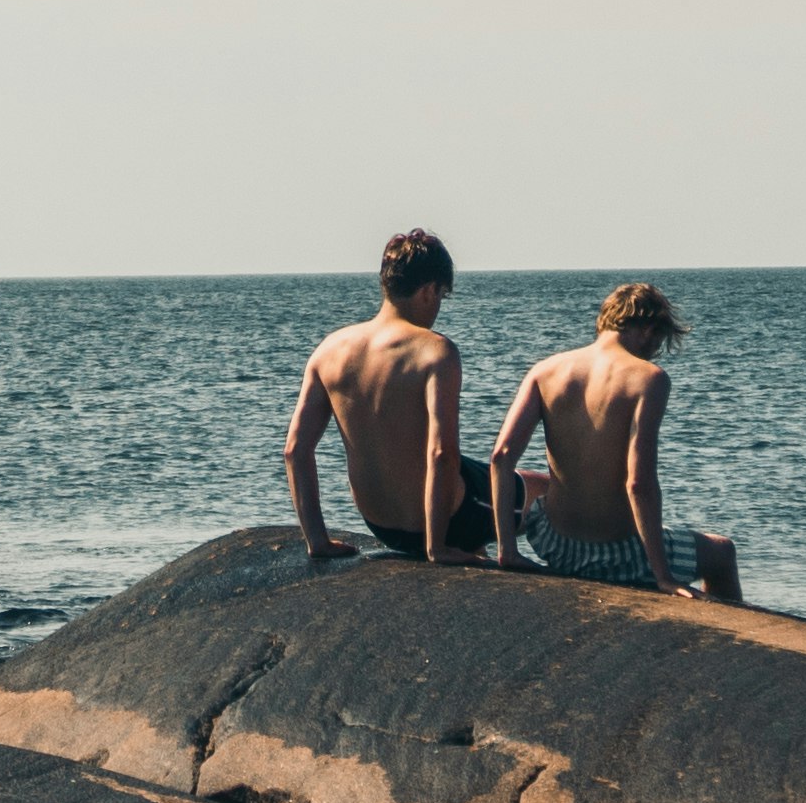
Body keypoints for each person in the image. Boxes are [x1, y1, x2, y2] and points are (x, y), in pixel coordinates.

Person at [487, 283, 741, 602]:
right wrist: (663, 576)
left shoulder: (545, 371)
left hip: (555, 543)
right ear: (649, 330)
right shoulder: (649, 379)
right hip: (620, 556)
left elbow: (501, 457)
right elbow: (639, 484)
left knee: (534, 483)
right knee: (722, 553)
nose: (653, 354)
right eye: (657, 344)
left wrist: (507, 550)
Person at [285, 228, 498, 563]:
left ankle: (474, 550)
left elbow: (295, 450)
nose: (439, 306)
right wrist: (437, 548)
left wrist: (317, 541)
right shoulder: (435, 352)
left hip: (380, 524)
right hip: (448, 522)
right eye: (442, 296)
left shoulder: (329, 350)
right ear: (429, 291)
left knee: (473, 474)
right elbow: (441, 454)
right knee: (547, 492)